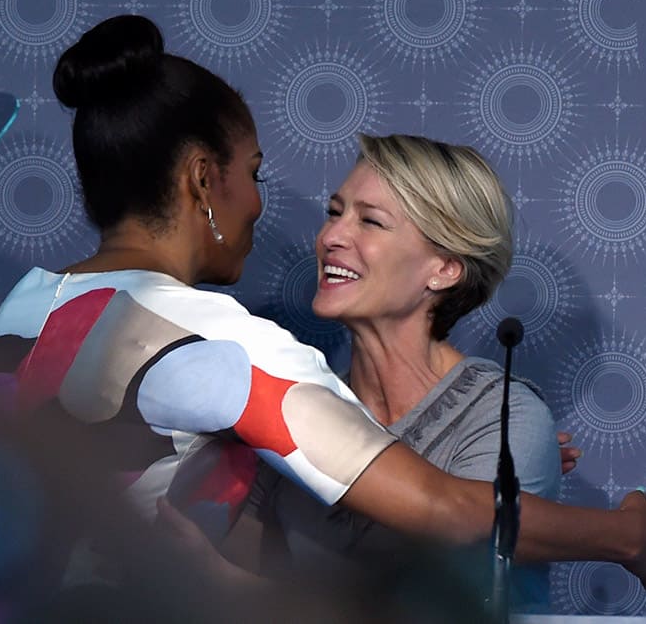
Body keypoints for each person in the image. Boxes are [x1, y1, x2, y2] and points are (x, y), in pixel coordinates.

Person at [0, 13, 646, 619]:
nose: (262, 205)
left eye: (370, 220)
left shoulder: (16, 313)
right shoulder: (228, 347)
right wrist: (623, 531)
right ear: (204, 181)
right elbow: (445, 511)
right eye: (255, 173)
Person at [239, 134, 562, 610]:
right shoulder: (300, 405)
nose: (331, 237)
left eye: (370, 221)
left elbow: (448, 603)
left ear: (445, 268)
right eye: (334, 212)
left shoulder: (505, 419)